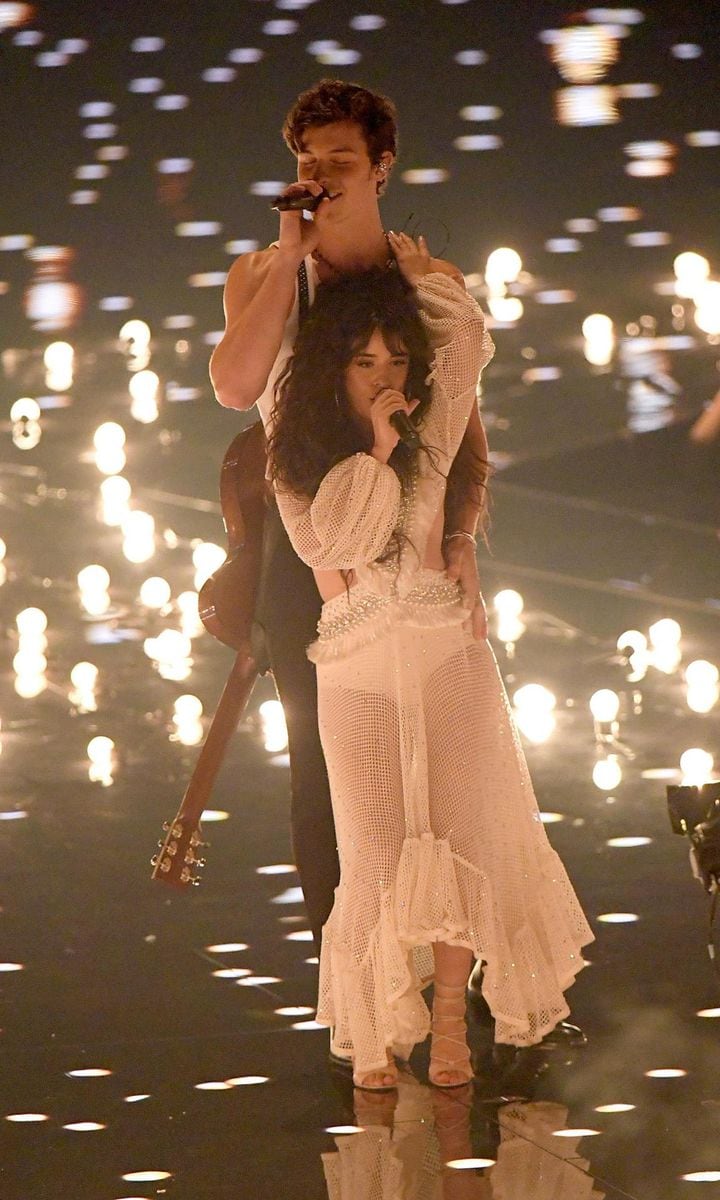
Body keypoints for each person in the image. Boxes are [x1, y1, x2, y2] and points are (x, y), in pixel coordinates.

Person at [267, 242, 594, 1091]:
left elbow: (465, 332)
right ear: (334, 365)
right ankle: (376, 1027)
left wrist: (415, 269)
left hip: (448, 648)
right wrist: (375, 449)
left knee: (463, 837)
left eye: (395, 358)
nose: (383, 374)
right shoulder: (297, 447)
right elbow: (328, 542)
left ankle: (452, 1024)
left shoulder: (435, 428)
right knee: (374, 846)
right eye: (364, 359)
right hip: (354, 661)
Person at [209, 80, 490, 960]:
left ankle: (457, 975)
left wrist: (461, 539)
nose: (321, 176)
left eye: (339, 160)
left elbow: (468, 431)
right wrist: (291, 262)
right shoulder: (263, 273)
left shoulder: (427, 280)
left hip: (414, 539)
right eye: (306, 162)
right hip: (309, 547)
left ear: (381, 168)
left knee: (446, 767)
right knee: (325, 770)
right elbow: (235, 388)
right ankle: (356, 986)